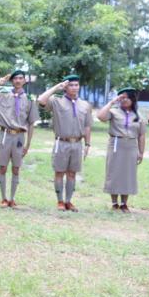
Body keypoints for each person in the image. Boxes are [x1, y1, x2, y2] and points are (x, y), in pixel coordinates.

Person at [0, 70, 39, 208]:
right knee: (3, 167)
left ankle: (12, 198)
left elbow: (31, 124)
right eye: (15, 78)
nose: (18, 80)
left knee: (16, 168)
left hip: (19, 136)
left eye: (20, 78)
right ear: (12, 81)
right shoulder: (2, 96)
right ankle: (3, 198)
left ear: (24, 81)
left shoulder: (30, 100)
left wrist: (28, 145)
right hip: (5, 135)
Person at [37, 74, 92, 212]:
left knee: (72, 173)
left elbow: (87, 126)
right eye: (71, 85)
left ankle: (68, 201)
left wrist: (87, 144)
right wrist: (56, 87)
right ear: (65, 87)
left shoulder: (85, 105)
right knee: (59, 172)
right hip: (61, 142)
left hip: (77, 143)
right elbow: (41, 100)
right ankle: (60, 201)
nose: (74, 88)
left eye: (76, 85)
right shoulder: (57, 102)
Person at [98, 88, 145, 212]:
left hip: (131, 147)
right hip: (116, 145)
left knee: (128, 175)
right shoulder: (114, 112)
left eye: (126, 97)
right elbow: (101, 117)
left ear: (132, 99)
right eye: (121, 98)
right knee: (114, 173)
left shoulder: (139, 115)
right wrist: (112, 102)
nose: (123, 100)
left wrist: (141, 152)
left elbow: (141, 135)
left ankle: (124, 203)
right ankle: (114, 203)